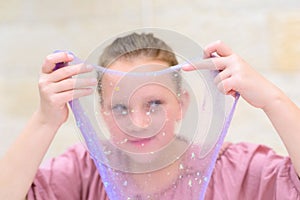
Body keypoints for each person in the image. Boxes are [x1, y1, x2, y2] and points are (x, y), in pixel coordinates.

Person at [0, 33, 299, 200]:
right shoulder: (83, 171)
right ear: (103, 112)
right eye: (120, 107)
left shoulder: (235, 171)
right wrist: (45, 119)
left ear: (181, 104)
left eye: (154, 103)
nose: (139, 123)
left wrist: (273, 99)